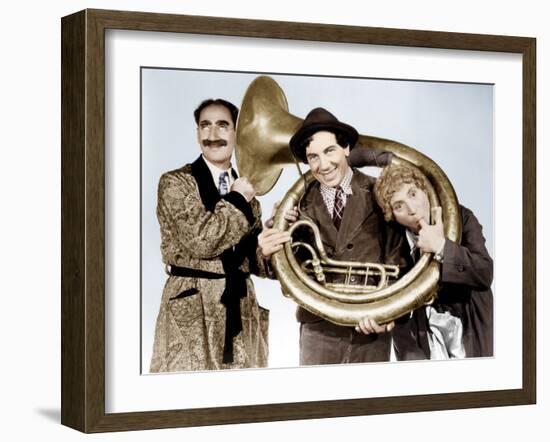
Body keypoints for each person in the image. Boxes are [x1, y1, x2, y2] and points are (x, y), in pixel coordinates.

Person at [258, 107, 404, 365]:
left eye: (329, 151)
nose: (323, 165)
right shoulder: (297, 204)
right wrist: (271, 250)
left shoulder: (380, 190)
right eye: (313, 157)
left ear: (346, 148)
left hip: (369, 325)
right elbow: (285, 272)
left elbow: (399, 260)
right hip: (318, 329)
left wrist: (390, 312)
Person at [150, 98, 269, 372]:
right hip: (192, 308)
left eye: (222, 126)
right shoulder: (175, 182)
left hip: (240, 308)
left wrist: (272, 244)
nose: (212, 135)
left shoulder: (247, 191)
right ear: (197, 133)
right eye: (205, 125)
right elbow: (202, 240)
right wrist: (239, 199)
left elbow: (253, 262)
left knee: (241, 403)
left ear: (238, 133)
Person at [369, 163, 493, 360]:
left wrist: (441, 247)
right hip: (419, 343)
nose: (411, 209)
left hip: (468, 335)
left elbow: (484, 272)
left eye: (412, 194)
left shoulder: (462, 217)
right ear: (392, 215)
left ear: (425, 190)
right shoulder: (393, 242)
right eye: (398, 206)